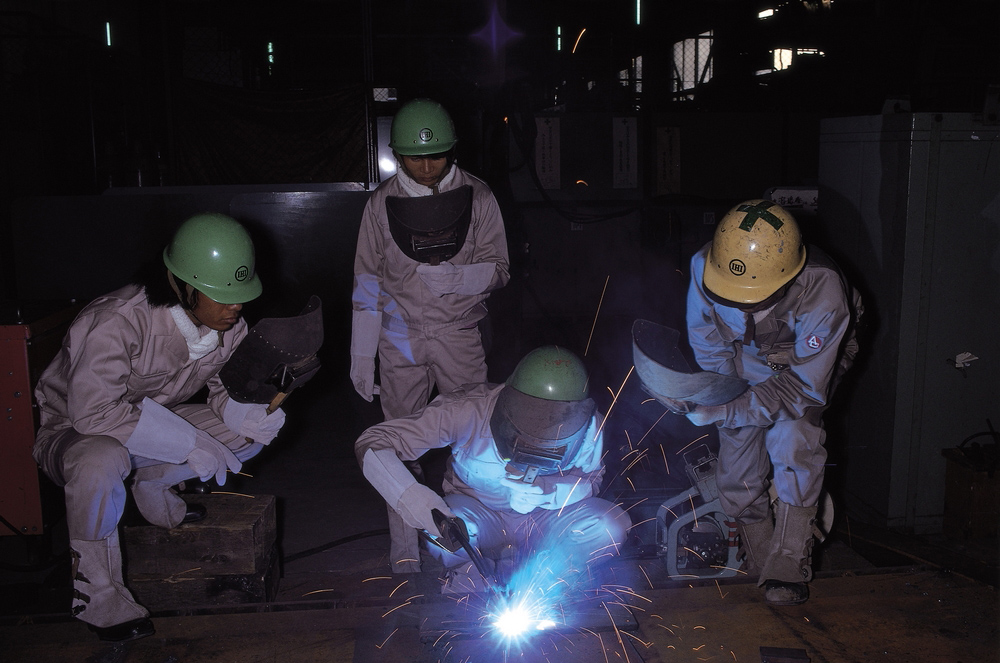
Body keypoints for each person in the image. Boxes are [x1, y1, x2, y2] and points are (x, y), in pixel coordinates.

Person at [33, 213, 286, 642]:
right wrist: (186, 442)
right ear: (183, 285)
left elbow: (224, 389)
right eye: (223, 296)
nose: (236, 307)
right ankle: (97, 594)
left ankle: (151, 482)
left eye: (240, 296)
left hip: (145, 423)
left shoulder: (228, 327)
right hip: (74, 431)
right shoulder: (116, 320)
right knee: (101, 460)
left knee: (246, 435)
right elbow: (93, 413)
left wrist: (248, 414)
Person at [664, 199, 860, 606]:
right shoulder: (706, 268)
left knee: (794, 436)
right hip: (748, 354)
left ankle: (788, 560)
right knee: (737, 453)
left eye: (752, 299)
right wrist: (718, 400)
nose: (740, 303)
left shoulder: (823, 291)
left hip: (809, 359)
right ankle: (760, 552)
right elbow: (711, 349)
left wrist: (727, 409)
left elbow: (802, 389)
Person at [350, 98, 510, 573]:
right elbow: (366, 280)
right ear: (397, 155)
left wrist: (464, 278)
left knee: (475, 436)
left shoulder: (479, 197)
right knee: (398, 443)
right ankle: (405, 548)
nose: (425, 166)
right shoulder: (379, 205)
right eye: (414, 157)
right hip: (398, 338)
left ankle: (475, 534)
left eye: (435, 156)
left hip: (458, 331)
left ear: (451, 150)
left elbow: (501, 268)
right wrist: (361, 351)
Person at [355, 346, 631, 595]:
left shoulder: (589, 426)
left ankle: (551, 579)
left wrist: (550, 493)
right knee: (440, 526)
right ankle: (470, 578)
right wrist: (415, 500)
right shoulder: (466, 410)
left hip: (544, 521)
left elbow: (592, 480)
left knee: (610, 524)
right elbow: (373, 442)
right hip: (481, 518)